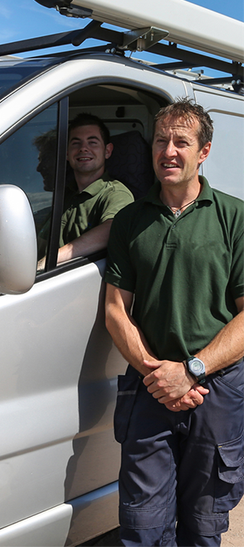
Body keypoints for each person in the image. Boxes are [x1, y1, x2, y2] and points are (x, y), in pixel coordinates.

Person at [104, 98, 244, 546]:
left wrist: (191, 370)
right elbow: (115, 310)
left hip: (215, 390)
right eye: (161, 141)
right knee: (141, 527)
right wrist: (157, 373)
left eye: (181, 142)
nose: (168, 151)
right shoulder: (130, 220)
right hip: (150, 388)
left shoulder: (234, 217)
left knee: (203, 527)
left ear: (204, 152)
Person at [38, 114, 133, 267]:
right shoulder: (64, 194)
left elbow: (113, 229)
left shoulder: (115, 193)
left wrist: (50, 260)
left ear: (107, 151)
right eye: (76, 143)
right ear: (67, 153)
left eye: (92, 142)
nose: (83, 148)